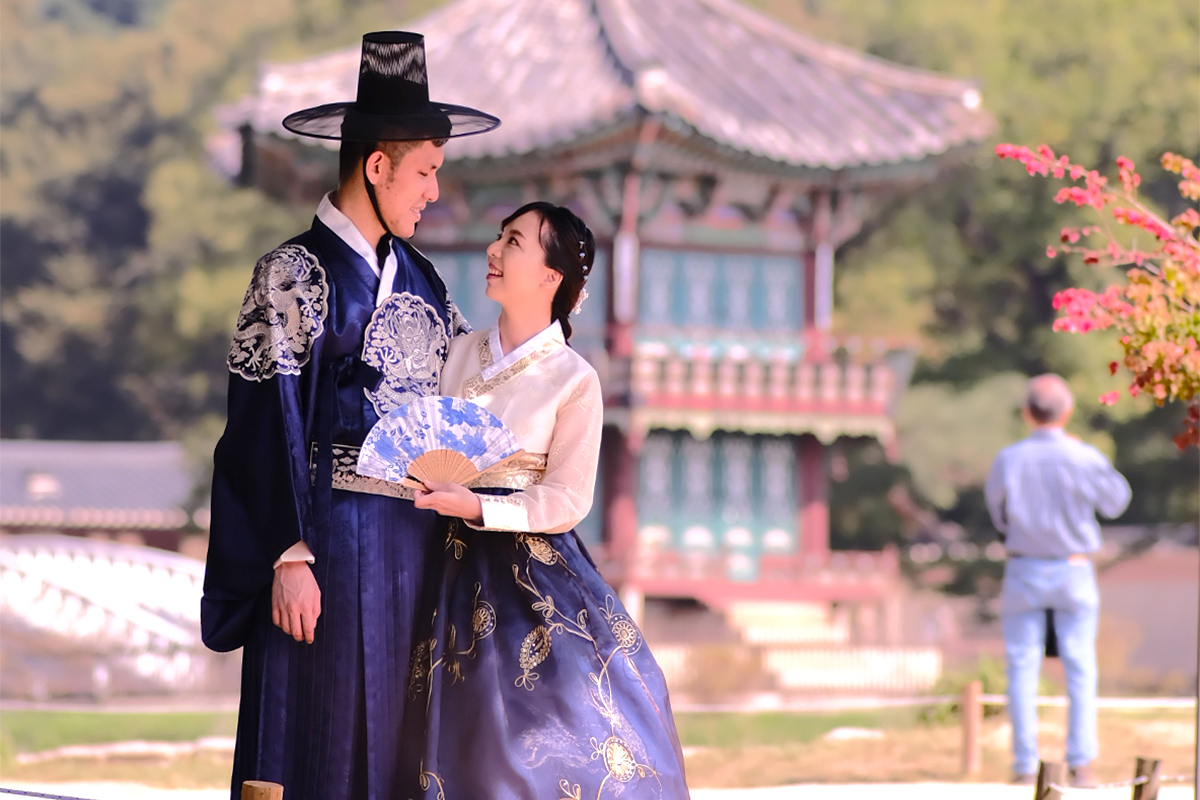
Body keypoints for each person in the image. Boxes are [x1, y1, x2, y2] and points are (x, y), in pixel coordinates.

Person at [200, 32, 499, 800]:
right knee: (314, 744)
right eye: (426, 172)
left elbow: (459, 412)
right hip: (324, 547)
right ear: (376, 166)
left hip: (417, 544)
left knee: (404, 751)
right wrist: (287, 557)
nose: (435, 191)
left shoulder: (427, 281)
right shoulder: (292, 275)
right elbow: (259, 429)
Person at [402, 202, 691, 799]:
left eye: (513, 242)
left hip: (528, 577)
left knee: (535, 736)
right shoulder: (455, 354)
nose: (493, 251)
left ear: (550, 277)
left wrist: (481, 506)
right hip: (441, 566)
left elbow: (566, 498)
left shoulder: (573, 378)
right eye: (498, 237)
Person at [985, 374, 1131, 787]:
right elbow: (1117, 502)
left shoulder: (1008, 459)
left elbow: (998, 514)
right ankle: (1081, 763)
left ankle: (1024, 763)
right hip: (1073, 566)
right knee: (1081, 665)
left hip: (1024, 567)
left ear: (1027, 413)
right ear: (1066, 412)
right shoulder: (1084, 457)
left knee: (1021, 666)